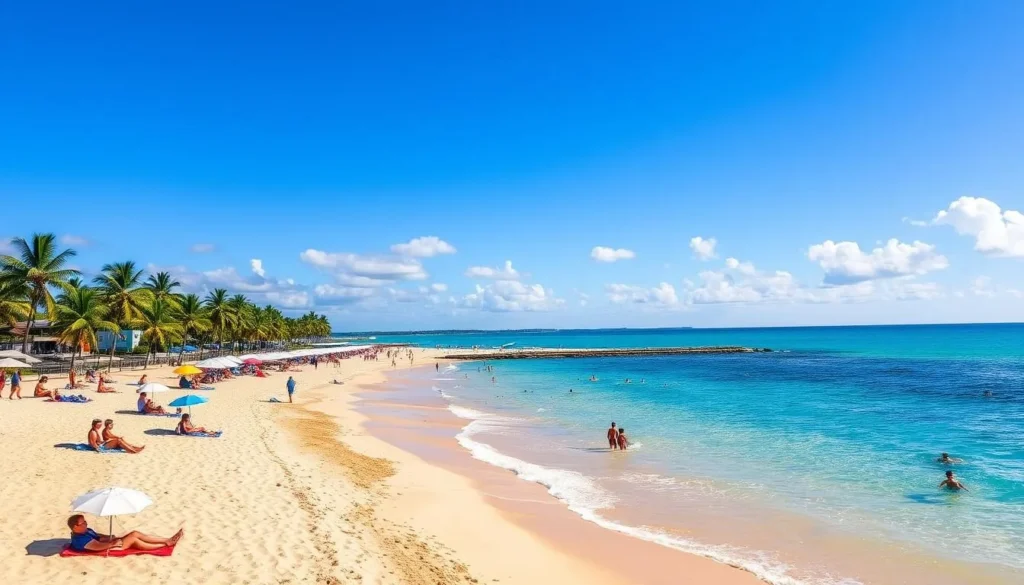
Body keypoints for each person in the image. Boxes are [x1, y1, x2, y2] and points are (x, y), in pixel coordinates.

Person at [67, 514, 182, 553]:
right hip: (107, 549)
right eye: (83, 523)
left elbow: (98, 537)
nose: (86, 524)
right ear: (75, 527)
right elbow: (97, 547)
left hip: (106, 544)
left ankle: (166, 540)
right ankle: (165, 544)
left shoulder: (86, 530)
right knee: (134, 540)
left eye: (85, 521)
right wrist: (113, 543)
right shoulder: (80, 540)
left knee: (135, 533)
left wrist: (110, 537)